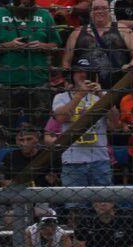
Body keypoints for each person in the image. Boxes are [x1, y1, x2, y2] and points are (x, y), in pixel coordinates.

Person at [0, 0, 65, 130]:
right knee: (5, 129)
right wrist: (8, 45)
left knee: (40, 128)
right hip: (8, 81)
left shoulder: (44, 15)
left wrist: (42, 45)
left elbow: (56, 45)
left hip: (38, 81)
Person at [52, 60, 122, 188]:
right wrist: (79, 95)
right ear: (72, 76)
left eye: (87, 72)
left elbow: (115, 123)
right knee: (75, 206)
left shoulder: (102, 96)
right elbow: (61, 118)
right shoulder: (61, 97)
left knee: (103, 204)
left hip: (100, 160)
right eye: (79, 72)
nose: (83, 75)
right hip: (73, 161)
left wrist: (102, 95)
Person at [65, 0, 133, 85]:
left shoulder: (123, 29)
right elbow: (66, 61)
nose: (100, 11)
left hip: (118, 86)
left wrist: (130, 66)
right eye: (96, 9)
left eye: (104, 8)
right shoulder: (77, 33)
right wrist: (68, 80)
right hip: (85, 89)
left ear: (110, 11)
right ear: (90, 12)